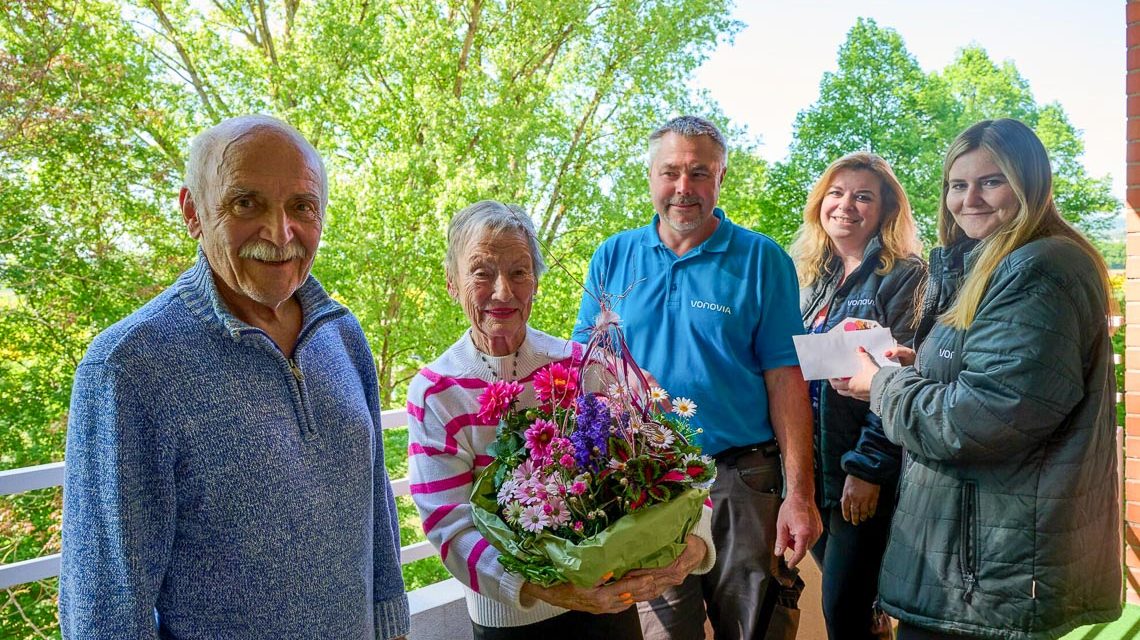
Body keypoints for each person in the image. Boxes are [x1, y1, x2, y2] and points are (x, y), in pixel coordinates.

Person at [59, 115, 410, 639]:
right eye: (246, 203)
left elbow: (376, 512)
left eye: (301, 207)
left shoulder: (342, 336)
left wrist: (392, 626)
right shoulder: (130, 367)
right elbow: (105, 607)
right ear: (193, 213)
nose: (279, 233)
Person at [836, 118, 1122, 639]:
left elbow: (975, 419)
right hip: (969, 570)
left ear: (1030, 183)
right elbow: (980, 383)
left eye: (991, 181)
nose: (970, 199)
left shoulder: (1039, 270)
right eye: (957, 184)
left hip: (990, 580)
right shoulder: (988, 263)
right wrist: (909, 369)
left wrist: (880, 385)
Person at [406, 200, 716, 640]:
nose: (503, 291)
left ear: (535, 282)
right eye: (481, 272)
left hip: (609, 606)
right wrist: (553, 589)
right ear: (452, 284)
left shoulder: (581, 363)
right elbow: (447, 524)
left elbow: (670, 462)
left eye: (519, 272)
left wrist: (695, 543)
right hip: (512, 618)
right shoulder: (437, 391)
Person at [575, 115, 823, 640]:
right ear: (650, 177)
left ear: (721, 178)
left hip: (743, 481)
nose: (683, 188)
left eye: (699, 173)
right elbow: (587, 369)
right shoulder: (613, 257)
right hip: (647, 485)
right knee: (662, 631)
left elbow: (787, 381)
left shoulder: (762, 260)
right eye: (670, 172)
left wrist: (800, 496)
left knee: (755, 627)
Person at [789, 151, 925, 639]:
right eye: (837, 193)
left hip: (859, 474)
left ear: (886, 210)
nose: (846, 205)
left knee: (843, 611)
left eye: (863, 196)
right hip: (812, 472)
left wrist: (867, 467)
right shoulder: (809, 277)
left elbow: (900, 378)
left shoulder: (905, 276)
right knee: (856, 608)